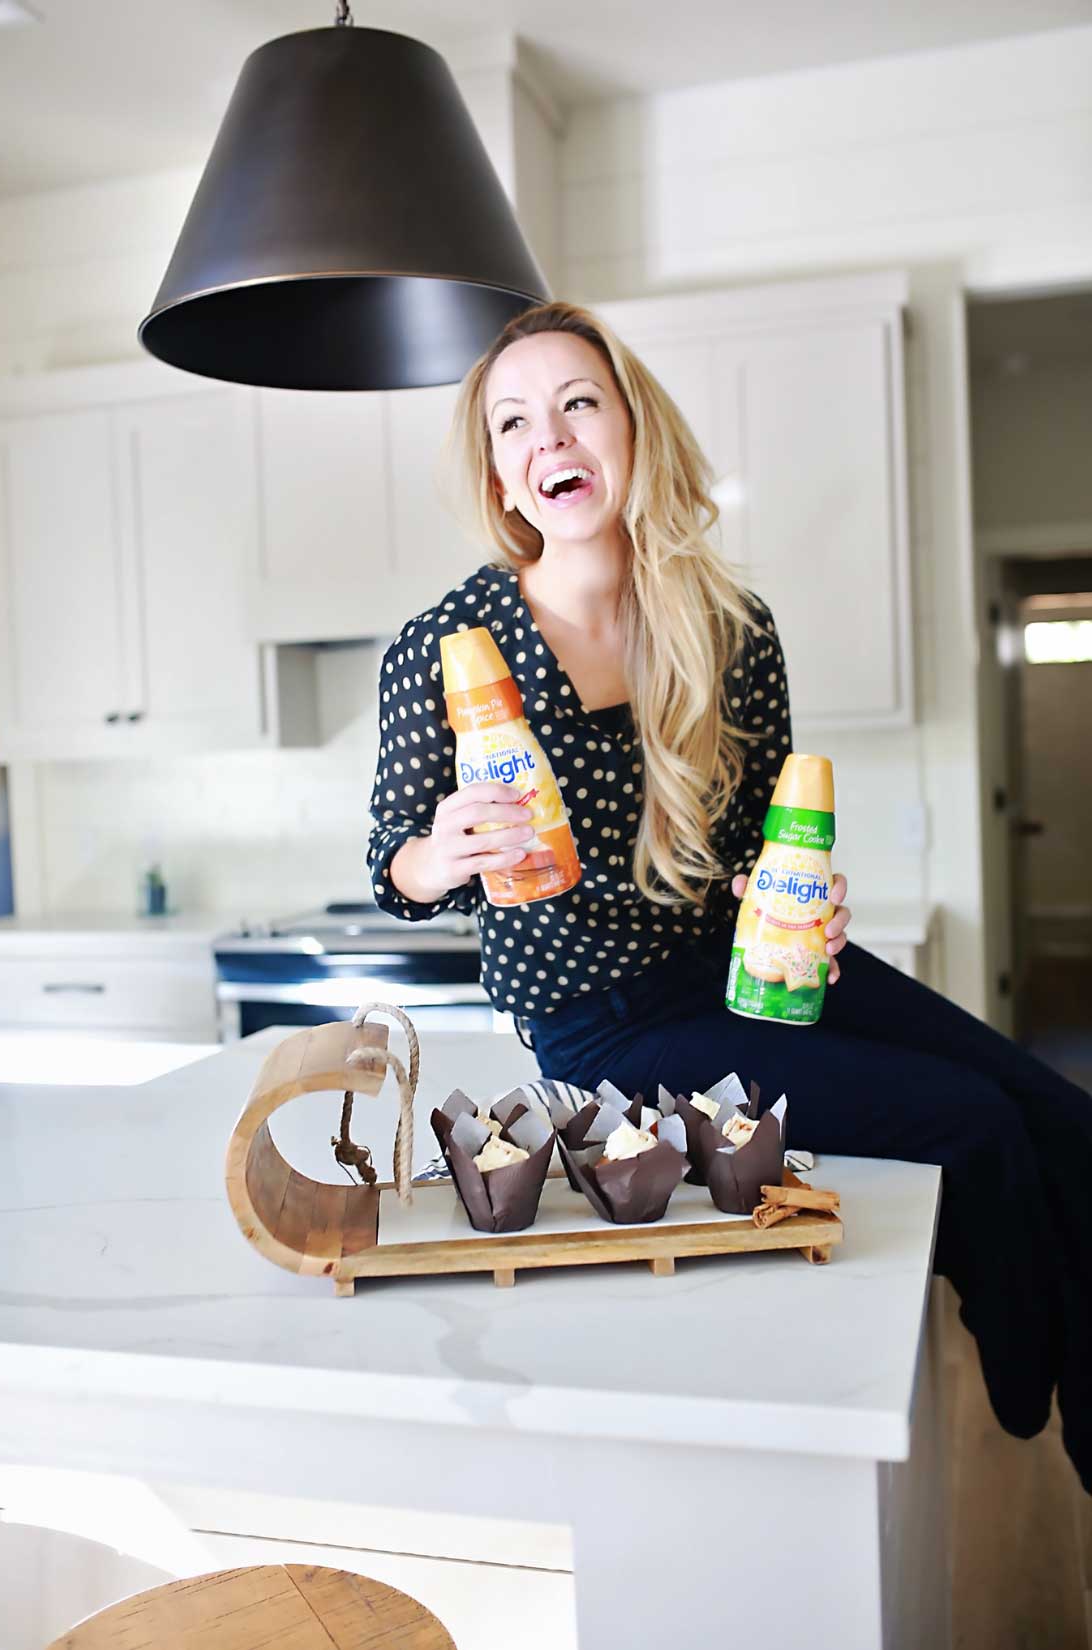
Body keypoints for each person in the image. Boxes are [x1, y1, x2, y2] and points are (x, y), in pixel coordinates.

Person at [367, 300, 1092, 1493]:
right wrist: (441, 852)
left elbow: (763, 840)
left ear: (629, 425)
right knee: (971, 1125)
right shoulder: (447, 646)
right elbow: (392, 867)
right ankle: (1025, 1366)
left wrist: (797, 896)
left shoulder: (728, 626)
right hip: (604, 1025)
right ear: (498, 474)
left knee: (1056, 1114)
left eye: (576, 403)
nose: (548, 437)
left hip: (746, 965)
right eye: (512, 423)